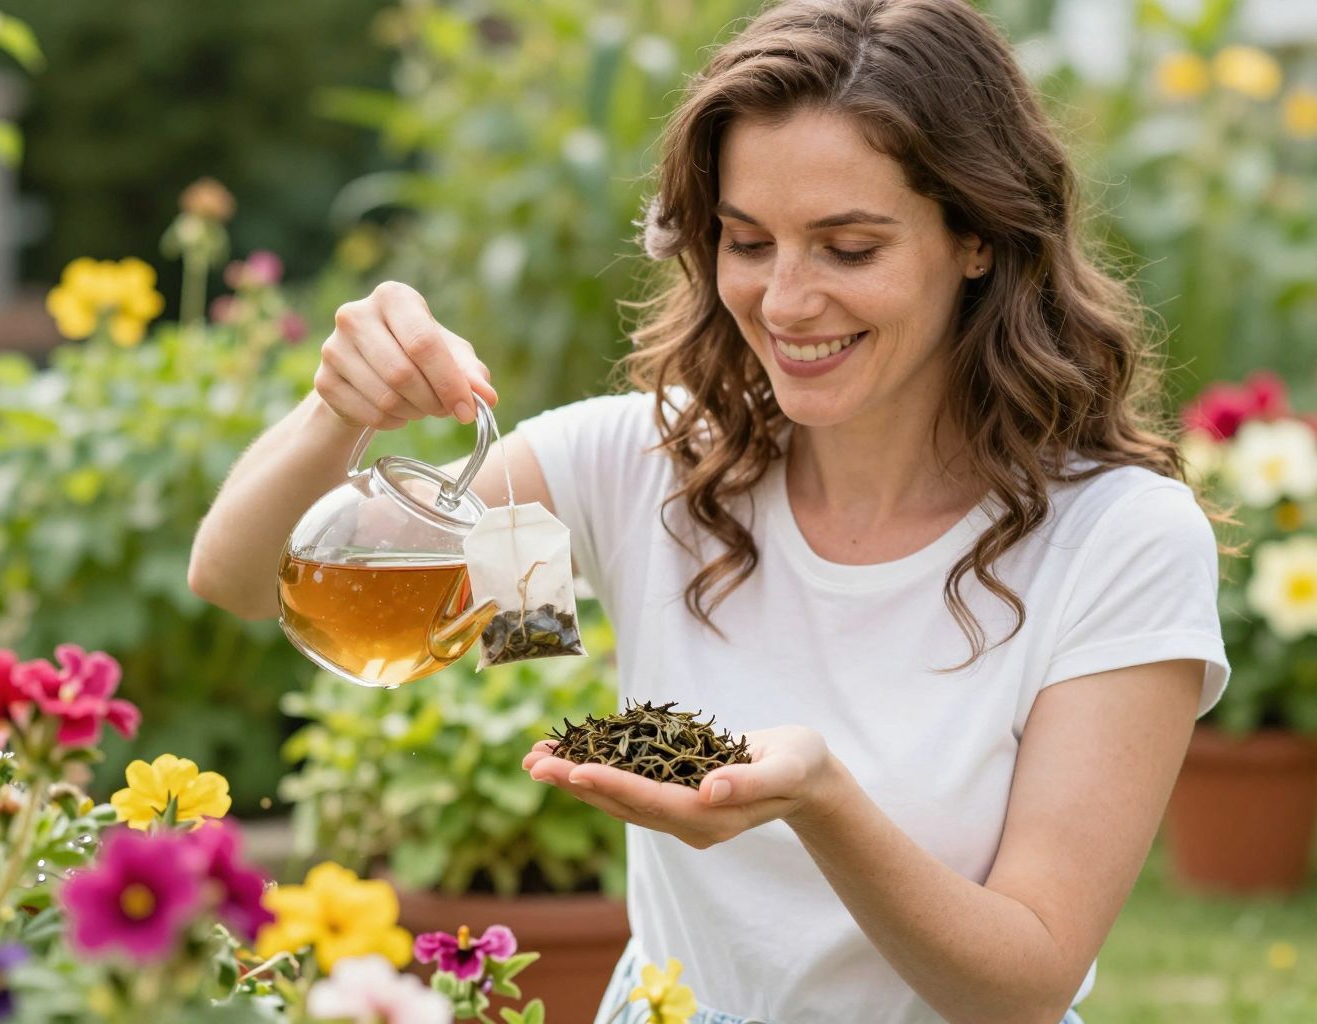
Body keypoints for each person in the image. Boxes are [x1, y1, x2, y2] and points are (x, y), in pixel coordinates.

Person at [189, 0, 1229, 1020]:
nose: (784, 301)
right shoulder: (649, 469)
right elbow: (241, 579)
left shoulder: (1116, 540)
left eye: (848, 248)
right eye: (746, 241)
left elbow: (1025, 982)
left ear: (979, 240)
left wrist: (823, 803)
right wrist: (339, 409)